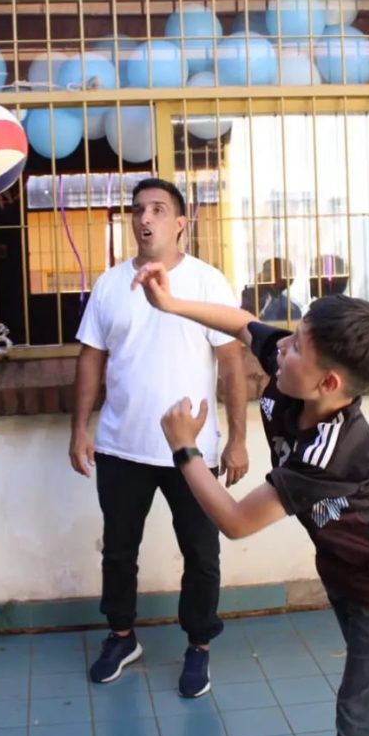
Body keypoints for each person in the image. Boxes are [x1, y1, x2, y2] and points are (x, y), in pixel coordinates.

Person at [132, 261, 369, 736]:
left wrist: (184, 449)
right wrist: (169, 304)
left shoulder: (334, 451)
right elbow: (239, 323)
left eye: (297, 345)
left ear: (329, 384)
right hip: (346, 565)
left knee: (362, 722)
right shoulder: (293, 367)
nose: (280, 345)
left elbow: (235, 521)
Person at [69, 177, 248, 698]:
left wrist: (238, 438)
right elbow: (91, 359)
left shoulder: (209, 282)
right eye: (137, 210)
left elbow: (232, 363)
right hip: (122, 444)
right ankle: (121, 636)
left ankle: (198, 645)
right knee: (119, 550)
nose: (144, 218)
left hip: (191, 451)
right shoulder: (109, 285)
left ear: (180, 223)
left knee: (200, 551)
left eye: (157, 209)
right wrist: (80, 427)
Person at [241, 257, 302, 321]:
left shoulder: (289, 309)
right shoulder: (250, 296)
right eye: (263, 270)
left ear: (277, 277)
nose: (259, 274)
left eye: (266, 270)